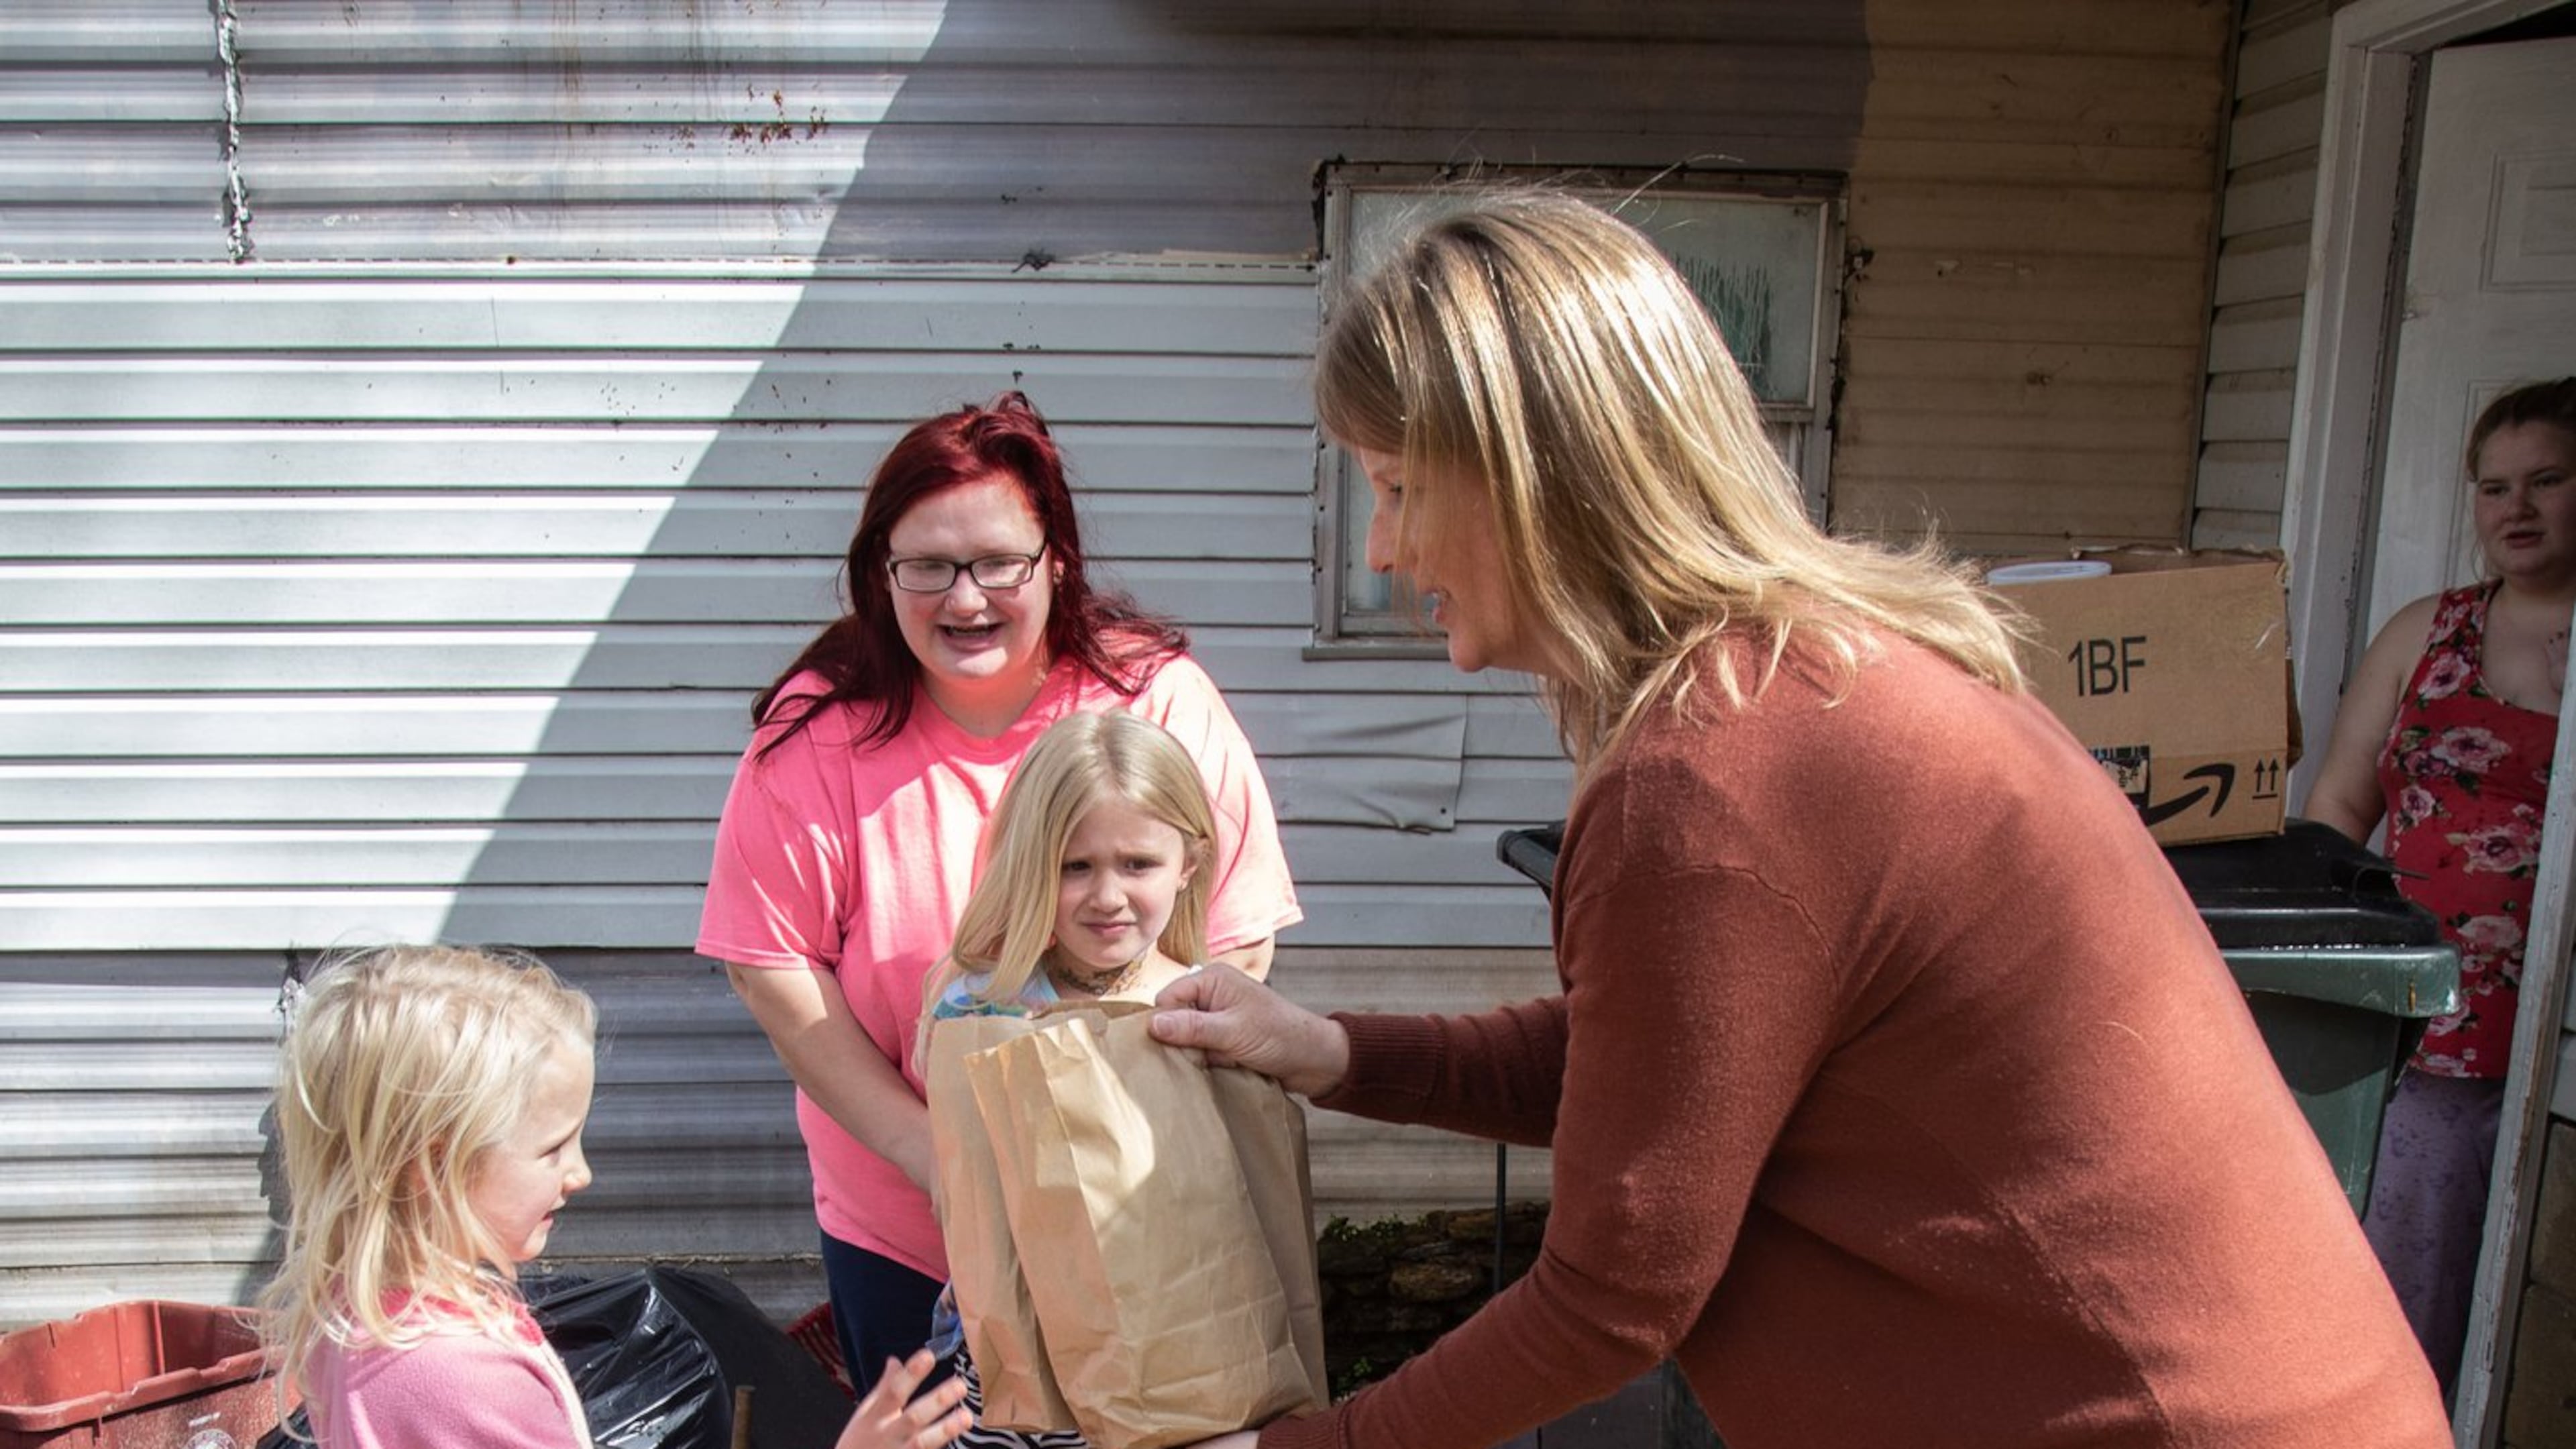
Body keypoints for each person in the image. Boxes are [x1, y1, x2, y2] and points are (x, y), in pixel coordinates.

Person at [1144, 191, 2450, 1449]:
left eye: (1398, 486)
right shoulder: (1809, 681)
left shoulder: (1713, 779)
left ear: (1533, 480)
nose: (1382, 549)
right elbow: (1671, 1069)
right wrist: (1332, 1053)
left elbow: (1614, 1296)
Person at [696, 392, 1302, 1395]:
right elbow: (774, 972)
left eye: (997, 564)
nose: (964, 599)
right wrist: (937, 1159)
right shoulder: (817, 729)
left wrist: (1132, 1120)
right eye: (927, 566)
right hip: (909, 1222)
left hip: (1134, 1202)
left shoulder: (1153, 697)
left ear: (1054, 559)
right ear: (880, 573)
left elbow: (1236, 936)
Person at [260, 944, 975, 1449]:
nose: (580, 1174)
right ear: (434, 1165)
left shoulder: (366, 1322)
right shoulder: (461, 1380)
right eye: (551, 1149)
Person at [2304, 376, 2576, 1401]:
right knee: (2400, 1284)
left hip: (2549, 1034)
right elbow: (2337, 800)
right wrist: (2334, 970)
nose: (2517, 508)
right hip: (2423, 1026)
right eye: (2494, 486)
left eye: (2547, 479)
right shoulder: (2431, 631)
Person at [915, 709, 1222, 1449]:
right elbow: (963, 1175)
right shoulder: (978, 1004)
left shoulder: (1205, 1008)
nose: (1107, 895)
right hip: (1015, 1368)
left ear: (1189, 863)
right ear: (1029, 863)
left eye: (1137, 865)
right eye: (1074, 866)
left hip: (1169, 1365)